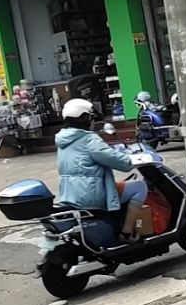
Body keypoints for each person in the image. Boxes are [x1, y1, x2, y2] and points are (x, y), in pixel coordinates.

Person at [55, 99, 148, 239]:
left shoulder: (64, 140)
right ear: (84, 118)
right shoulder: (88, 139)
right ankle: (127, 231)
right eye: (91, 118)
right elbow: (114, 159)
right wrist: (129, 160)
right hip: (91, 194)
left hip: (70, 195)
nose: (92, 122)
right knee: (139, 187)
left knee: (120, 185)